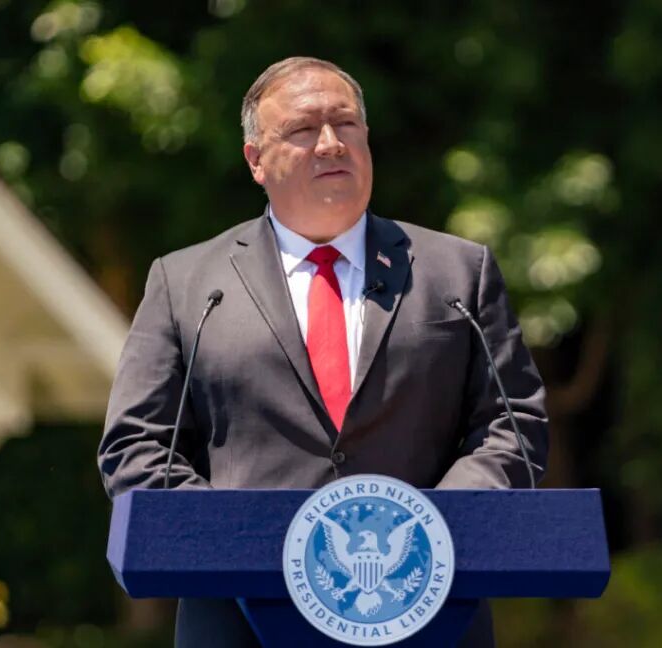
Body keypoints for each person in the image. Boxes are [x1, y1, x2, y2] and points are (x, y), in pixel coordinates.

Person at [97, 56, 548, 648]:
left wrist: (426, 530)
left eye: (347, 123)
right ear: (256, 160)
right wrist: (238, 539)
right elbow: (136, 446)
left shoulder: (458, 273)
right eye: (304, 129)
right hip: (239, 618)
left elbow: (513, 424)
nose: (332, 143)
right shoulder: (186, 284)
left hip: (430, 609)